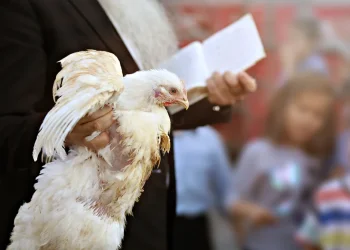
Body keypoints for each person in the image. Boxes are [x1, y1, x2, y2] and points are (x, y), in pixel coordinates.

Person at [0, 0, 257, 249]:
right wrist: (64, 127)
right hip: (68, 225)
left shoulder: (140, 6)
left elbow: (141, 108)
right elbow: (8, 123)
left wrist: (213, 98)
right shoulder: (23, 5)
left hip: (143, 222)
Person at [233, 72, 336, 250]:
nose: (308, 120)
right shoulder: (257, 152)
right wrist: (253, 212)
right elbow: (231, 201)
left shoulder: (317, 161)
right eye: (302, 109)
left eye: (318, 115)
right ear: (283, 107)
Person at [172, 126, 233, 250]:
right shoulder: (144, 133)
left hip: (195, 226)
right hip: (153, 225)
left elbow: (226, 190)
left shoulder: (208, 138)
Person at [279, 16, 328, 84]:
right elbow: (281, 91)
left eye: (296, 38)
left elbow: (299, 91)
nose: (291, 43)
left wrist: (289, 67)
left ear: (311, 41)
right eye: (289, 38)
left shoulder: (316, 65)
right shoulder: (295, 61)